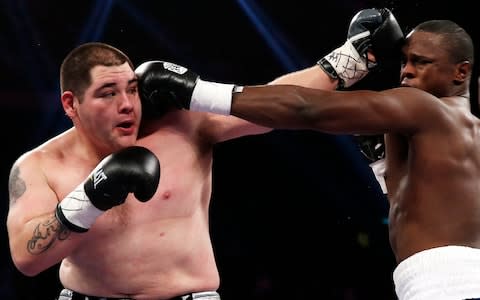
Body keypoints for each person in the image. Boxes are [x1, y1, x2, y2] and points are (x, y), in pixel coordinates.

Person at [7, 8, 403, 300]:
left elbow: (272, 104)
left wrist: (358, 56)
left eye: (131, 89)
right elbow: (27, 258)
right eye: (108, 94)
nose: (127, 104)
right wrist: (91, 197)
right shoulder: (39, 165)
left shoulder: (183, 125)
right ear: (70, 104)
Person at [150, 19, 480, 299]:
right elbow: (423, 214)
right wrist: (383, 169)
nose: (406, 72)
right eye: (404, 61)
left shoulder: (425, 109)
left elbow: (309, 109)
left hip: (444, 286)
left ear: (460, 72)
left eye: (420, 62)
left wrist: (197, 91)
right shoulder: (464, 132)